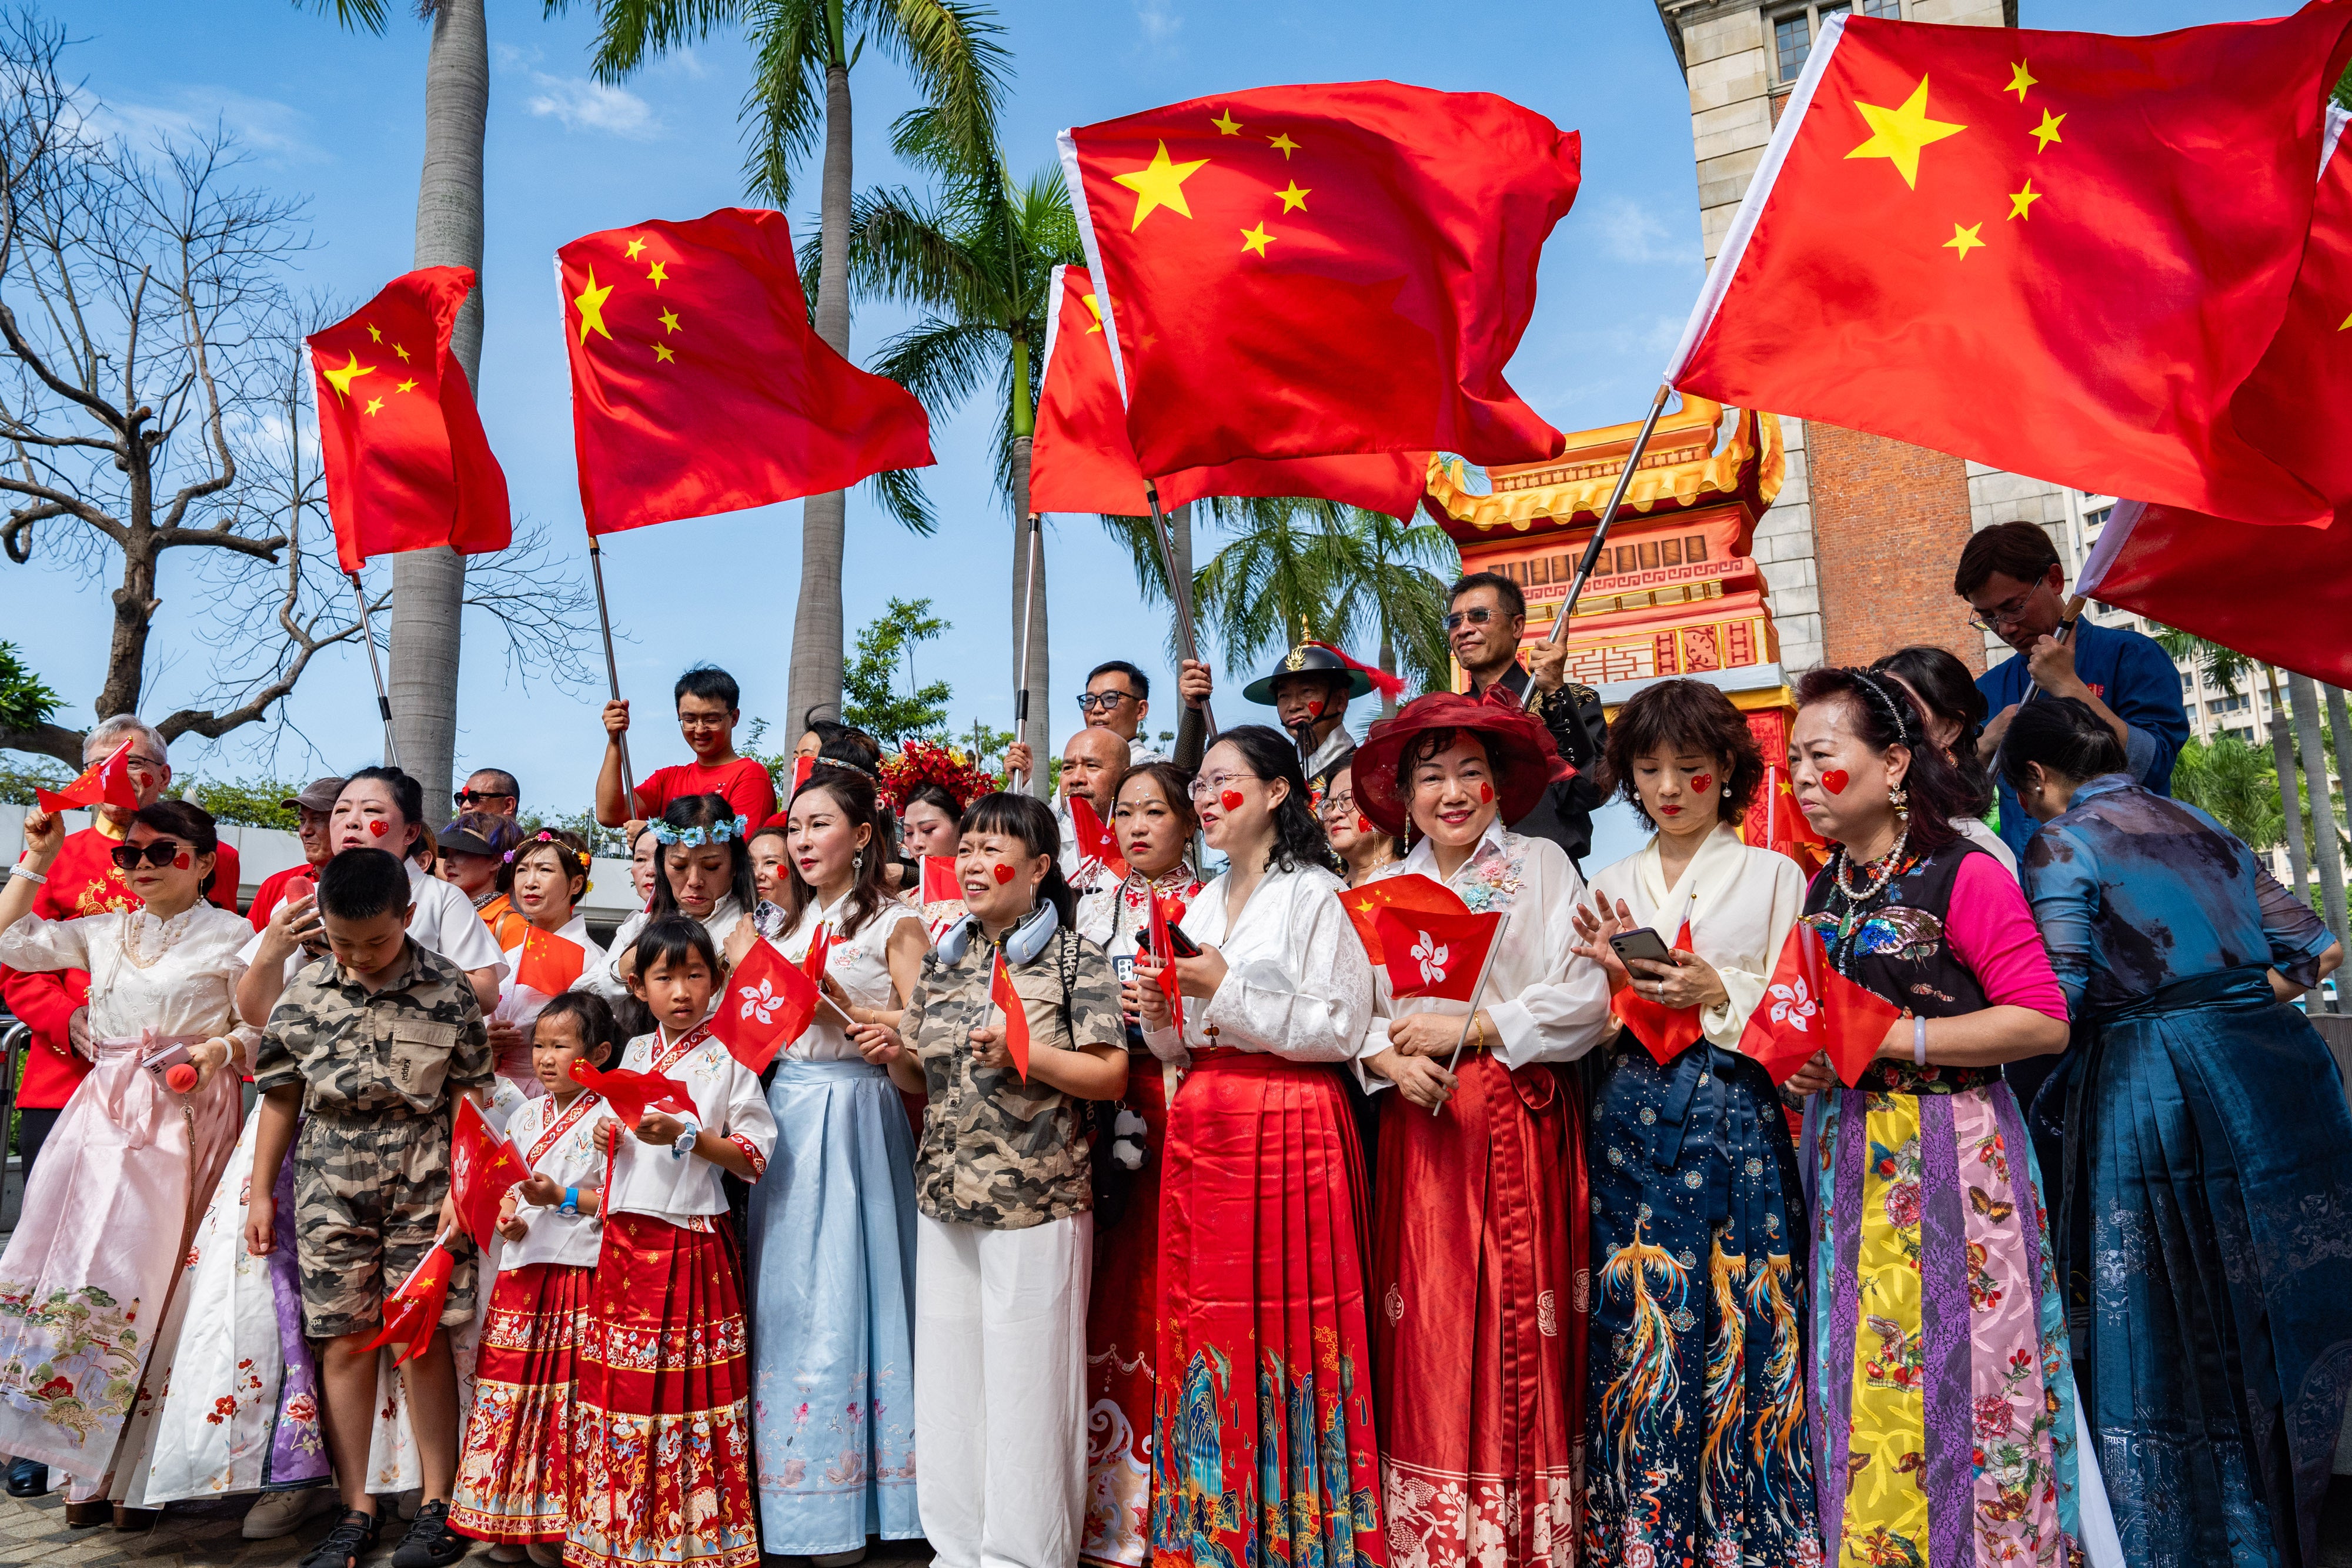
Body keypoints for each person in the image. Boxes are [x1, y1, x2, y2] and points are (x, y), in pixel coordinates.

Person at [2006, 697, 2350, 1568]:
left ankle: (2205, 1540)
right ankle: (2290, 1520)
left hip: (2155, 1088)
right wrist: (2231, 1001)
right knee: (2268, 1313)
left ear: (2037, 779)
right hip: (2281, 1077)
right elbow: (2317, 947)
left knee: (2169, 1323)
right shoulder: (2196, 817)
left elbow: (2061, 998)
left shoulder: (2061, 841)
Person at [1785, 667, 2106, 1568]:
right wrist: (1819, 1058)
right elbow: (1836, 1030)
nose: (1804, 778)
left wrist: (1899, 1036)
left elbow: (2042, 1016)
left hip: (1958, 1154)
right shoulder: (1825, 889)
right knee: (1867, 1368)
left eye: (1822, 756)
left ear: (1893, 763)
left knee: (1974, 1370)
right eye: (1795, 762)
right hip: (1852, 1152)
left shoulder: (1962, 870)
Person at [1349, 693, 1611, 1567]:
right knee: (1422, 1318)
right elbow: (1350, 1012)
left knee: (1512, 1318)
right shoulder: (1378, 888)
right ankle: (1431, 1535)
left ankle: (1524, 1536)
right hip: (1421, 1130)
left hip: (1515, 1115)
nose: (1452, 793)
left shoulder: (1542, 864)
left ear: (1499, 785)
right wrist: (1384, 1056)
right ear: (1404, 793)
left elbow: (1586, 996)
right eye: (1431, 777)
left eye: (1470, 772)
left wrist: (1476, 1028)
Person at [1568, 679, 1819, 1566]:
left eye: (1691, 768)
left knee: (1740, 1296)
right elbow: (1587, 1017)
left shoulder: (1778, 873)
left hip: (1734, 1108)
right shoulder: (1610, 881)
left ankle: (1750, 1526)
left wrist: (1721, 987)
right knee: (1640, 1308)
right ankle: (1639, 1527)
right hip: (1633, 1107)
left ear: (1729, 773)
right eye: (1649, 768)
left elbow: (1803, 1010)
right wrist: (1609, 979)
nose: (1669, 786)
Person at [1127, 724, 1382, 1568]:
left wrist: (1221, 985)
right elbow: (1177, 1046)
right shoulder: (1196, 903)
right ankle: (1211, 1522)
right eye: (1197, 784)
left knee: (1290, 1325)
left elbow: (1340, 1023)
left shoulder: (1314, 892)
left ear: (1278, 791)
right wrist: (1160, 1009)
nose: (1203, 798)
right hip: (1206, 1119)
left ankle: (1302, 1526)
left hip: (1289, 1117)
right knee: (1204, 1317)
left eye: (1221, 780)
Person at [856, 791, 1127, 1568]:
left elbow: (1109, 1075)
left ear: (1039, 867)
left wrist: (1025, 1054)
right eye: (965, 848)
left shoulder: (1077, 958)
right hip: (946, 1196)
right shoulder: (947, 955)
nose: (973, 863)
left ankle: (1025, 1553)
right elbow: (924, 1072)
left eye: (992, 849)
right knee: (951, 1382)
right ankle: (959, 1545)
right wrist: (893, 1048)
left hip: (1035, 1197)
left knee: (1028, 1386)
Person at [0, 800, 253, 1522]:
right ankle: (78, 1472)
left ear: (204, 861)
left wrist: (216, 1053)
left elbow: (260, 1030)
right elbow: (9, 937)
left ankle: (138, 1475)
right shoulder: (103, 930)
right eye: (128, 855)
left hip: (184, 1119)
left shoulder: (236, 936)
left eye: (161, 851)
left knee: (158, 1285)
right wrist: (38, 860)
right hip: (99, 1117)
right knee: (79, 1276)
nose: (141, 865)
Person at [243, 846, 495, 1568]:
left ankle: (437, 1503)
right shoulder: (306, 990)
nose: (359, 956)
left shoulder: (448, 989)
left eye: (377, 941)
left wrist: (462, 1187)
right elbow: (280, 1095)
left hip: (425, 1177)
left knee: (423, 1336)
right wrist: (263, 1191)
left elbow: (471, 1093)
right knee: (344, 1340)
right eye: (343, 941)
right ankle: (355, 1510)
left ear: (409, 917)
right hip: (327, 1180)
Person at [740, 766, 927, 1564]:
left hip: (859, 1109)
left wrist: (849, 1013)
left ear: (861, 832)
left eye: (821, 824)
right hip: (788, 1112)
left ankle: (877, 1497)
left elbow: (925, 1038)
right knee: (792, 1297)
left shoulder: (896, 921)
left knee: (861, 1288)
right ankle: (800, 1494)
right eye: (797, 825)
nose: (804, 839)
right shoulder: (776, 928)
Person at [572, 917, 774, 1568]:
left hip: (688, 1236)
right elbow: (616, 1130)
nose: (682, 991)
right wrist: (609, 1138)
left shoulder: (732, 1058)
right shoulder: (632, 1055)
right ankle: (621, 1531)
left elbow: (753, 1156)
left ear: (716, 982)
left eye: (695, 975)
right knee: (623, 1386)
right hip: (625, 1238)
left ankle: (692, 1535)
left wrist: (687, 1140)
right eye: (666, 978)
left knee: (689, 1390)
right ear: (640, 986)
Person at [1, 716, 242, 1211]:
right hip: (67, 1068)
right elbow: (18, 963)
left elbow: (222, 969)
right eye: (98, 765)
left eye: (131, 762)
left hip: (178, 1084)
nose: (114, 774)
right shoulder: (56, 854)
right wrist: (65, 1019)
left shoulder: (215, 854)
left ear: (164, 774)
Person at [1070, 762, 1204, 1566]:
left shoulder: (1213, 904)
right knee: (1107, 1289)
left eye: (1157, 810)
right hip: (1098, 1105)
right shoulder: (1092, 905)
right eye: (1125, 812)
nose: (1138, 825)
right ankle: (1103, 1505)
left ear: (1191, 819)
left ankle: (1181, 1499)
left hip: (1181, 1102)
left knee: (1168, 1282)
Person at [450, 992, 622, 1566]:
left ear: (598, 1053)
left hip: (580, 1271)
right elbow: (510, 1189)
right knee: (517, 1395)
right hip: (524, 1273)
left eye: (561, 1046)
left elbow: (620, 1202)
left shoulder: (609, 1117)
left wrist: (563, 1199)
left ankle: (561, 1525)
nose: (545, 1059)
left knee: (567, 1398)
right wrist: (510, 1218)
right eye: (539, 1046)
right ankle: (512, 1515)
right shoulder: (523, 1115)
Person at [1956, 520, 2189, 860]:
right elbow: (1959, 802)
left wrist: (2069, 687)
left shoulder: (2132, 656)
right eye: (1988, 617)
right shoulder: (1988, 689)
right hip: (2034, 884)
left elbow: (2153, 766)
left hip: (2134, 869)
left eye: (2013, 607)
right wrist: (1984, 746)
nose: (2005, 628)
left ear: (2054, 579)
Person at [1446, 571, 1611, 867]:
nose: (1464, 629)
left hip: (1549, 878)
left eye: (1479, 616)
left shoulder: (1573, 700)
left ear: (1517, 626)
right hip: (1467, 880)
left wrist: (1556, 694)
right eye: (1455, 621)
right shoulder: (1449, 718)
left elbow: (1588, 792)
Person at [484, 830, 608, 1120]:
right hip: (494, 1086)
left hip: (556, 1094)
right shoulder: (507, 949)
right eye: (523, 870)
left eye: (545, 870)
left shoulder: (590, 959)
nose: (530, 882)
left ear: (576, 883)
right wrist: (485, 1039)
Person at [584, 793, 754, 1002]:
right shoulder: (639, 928)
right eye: (679, 866)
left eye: (711, 867)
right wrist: (626, 966)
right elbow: (579, 1003)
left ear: (736, 865)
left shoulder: (760, 926)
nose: (695, 880)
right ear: (663, 865)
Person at [1872, 645, 2013, 874]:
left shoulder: (1974, 853)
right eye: (1877, 709)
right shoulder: (1854, 849)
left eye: (1903, 710)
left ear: (1948, 730)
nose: (1884, 725)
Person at [595, 664, 778, 831]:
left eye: (711, 720)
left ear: (734, 717)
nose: (699, 729)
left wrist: (651, 835)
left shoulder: (750, 775)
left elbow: (739, 850)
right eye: (689, 720)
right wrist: (614, 741)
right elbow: (609, 814)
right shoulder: (667, 779)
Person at [1240, 637, 1375, 804]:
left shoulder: (1368, 772)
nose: (1293, 706)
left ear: (1341, 700)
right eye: (1284, 696)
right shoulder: (1278, 778)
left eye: (1307, 691)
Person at [249, 777, 346, 928]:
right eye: (302, 820)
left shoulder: (375, 886)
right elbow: (249, 949)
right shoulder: (274, 886)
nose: (305, 831)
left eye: (317, 819)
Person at [437, 812, 528, 947]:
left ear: (496, 862)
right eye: (446, 854)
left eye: (461, 852)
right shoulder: (446, 915)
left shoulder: (513, 926)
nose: (448, 864)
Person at [1317, 761, 1402, 885]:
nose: (1334, 815)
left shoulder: (1423, 878)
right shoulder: (1324, 892)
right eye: (1329, 805)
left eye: (1347, 799)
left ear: (1389, 807)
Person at [453, 769, 521, 818]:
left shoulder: (530, 839)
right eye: (461, 799)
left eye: (474, 798)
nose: (465, 806)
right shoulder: (448, 837)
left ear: (508, 805)